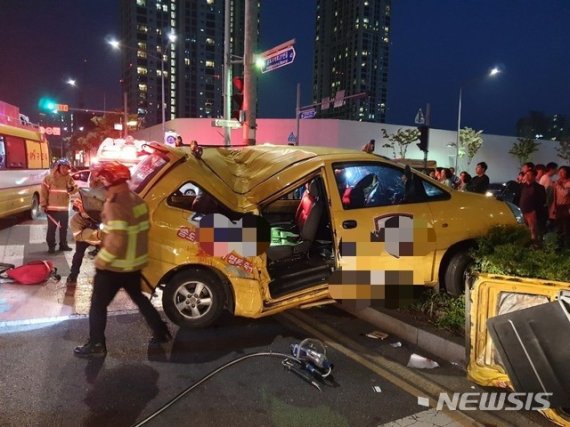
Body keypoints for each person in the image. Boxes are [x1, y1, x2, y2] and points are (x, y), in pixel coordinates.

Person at [74, 162, 171, 358]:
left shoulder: (114, 204)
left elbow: (116, 240)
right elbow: (140, 232)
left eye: (100, 179)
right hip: (133, 264)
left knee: (97, 305)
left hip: (113, 268)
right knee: (140, 299)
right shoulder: (137, 200)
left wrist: (102, 263)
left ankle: (96, 345)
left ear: (107, 180)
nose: (98, 182)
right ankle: (161, 332)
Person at [65, 188, 105, 295]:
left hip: (99, 240)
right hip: (84, 240)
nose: (84, 212)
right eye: (81, 210)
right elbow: (78, 237)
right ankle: (73, 275)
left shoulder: (98, 215)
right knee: (78, 255)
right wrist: (91, 228)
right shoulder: (75, 221)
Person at [40, 159, 78, 253]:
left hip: (64, 208)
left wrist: (72, 188)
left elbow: (75, 189)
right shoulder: (49, 178)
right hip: (52, 209)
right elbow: (43, 192)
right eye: (63, 167)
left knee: (63, 229)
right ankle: (51, 247)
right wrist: (43, 204)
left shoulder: (69, 178)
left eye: (67, 168)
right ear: (58, 167)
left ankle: (63, 245)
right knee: (51, 229)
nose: (65, 169)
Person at [518, 169, 546, 242]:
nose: (527, 176)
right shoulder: (523, 186)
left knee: (533, 230)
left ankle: (535, 245)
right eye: (526, 174)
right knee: (525, 229)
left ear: (534, 176)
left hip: (532, 212)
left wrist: (534, 210)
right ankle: (527, 244)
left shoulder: (539, 187)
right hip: (523, 211)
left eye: (529, 174)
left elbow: (542, 200)